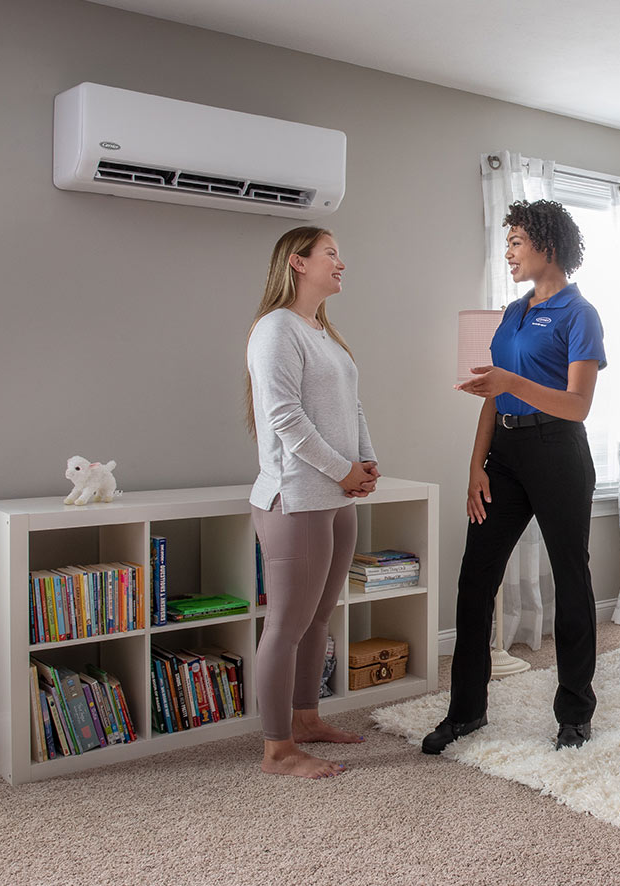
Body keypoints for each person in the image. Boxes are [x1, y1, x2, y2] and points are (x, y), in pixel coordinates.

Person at [423, 199, 606, 754]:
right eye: (507, 244)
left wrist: (511, 381)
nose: (508, 253)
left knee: (571, 580)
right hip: (502, 451)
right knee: (474, 579)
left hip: (557, 450)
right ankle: (466, 712)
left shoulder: (581, 314)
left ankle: (575, 712)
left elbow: (577, 406)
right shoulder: (511, 312)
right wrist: (475, 464)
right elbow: (493, 393)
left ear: (547, 246)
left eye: (516, 242)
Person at [245, 226, 380, 778]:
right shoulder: (275, 329)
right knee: (286, 624)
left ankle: (306, 719)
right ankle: (277, 750)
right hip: (295, 499)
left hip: (336, 496)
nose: (341, 263)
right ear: (298, 263)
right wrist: (343, 470)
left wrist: (365, 465)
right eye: (331, 254)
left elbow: (353, 409)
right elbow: (283, 417)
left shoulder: (321, 331)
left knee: (318, 618)